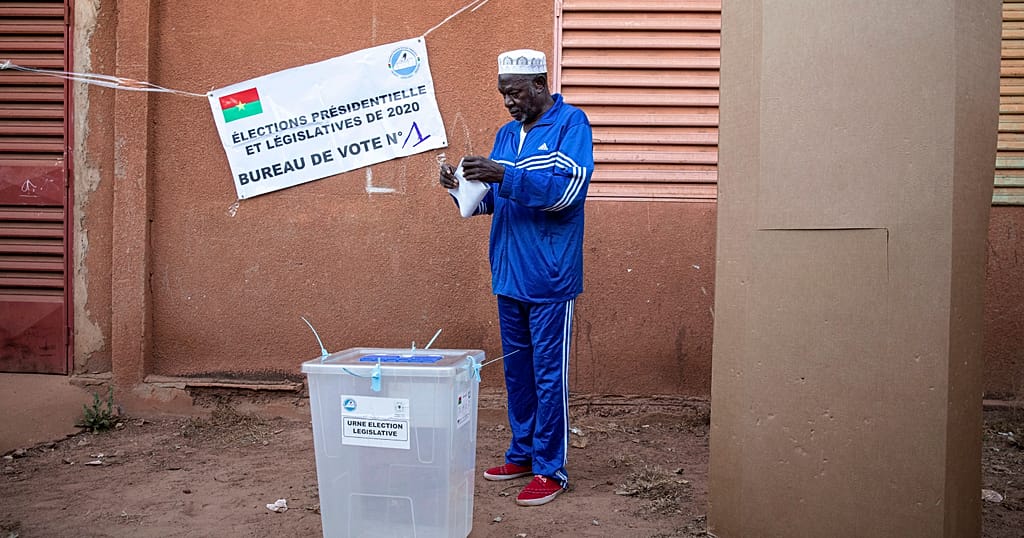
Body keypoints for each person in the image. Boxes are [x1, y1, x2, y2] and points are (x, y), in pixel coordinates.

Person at [438, 49, 594, 506]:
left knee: (549, 376)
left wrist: (503, 173)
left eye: (515, 93)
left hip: (549, 278)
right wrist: (459, 188)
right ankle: (523, 452)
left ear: (540, 85)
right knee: (519, 375)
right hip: (509, 275)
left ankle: (551, 469)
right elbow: (493, 202)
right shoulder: (507, 134)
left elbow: (569, 191)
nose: (508, 102)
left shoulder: (571, 125)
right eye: (502, 93)